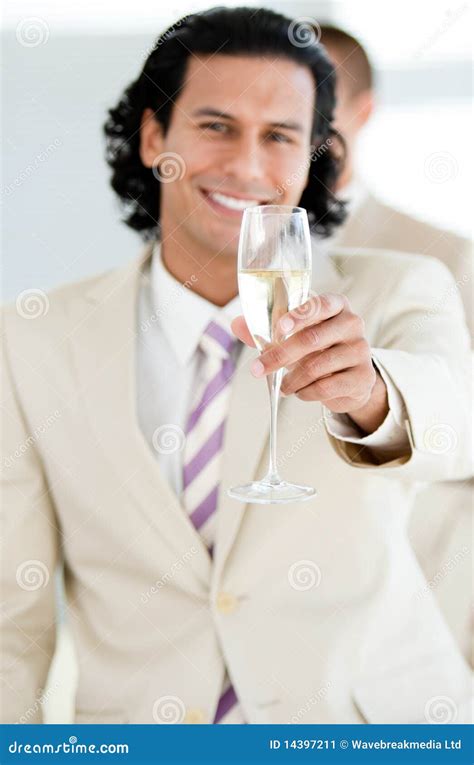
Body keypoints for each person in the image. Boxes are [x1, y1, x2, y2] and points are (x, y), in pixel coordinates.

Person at [1, 7, 471, 725]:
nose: (247, 165)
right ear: (156, 136)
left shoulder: (399, 288)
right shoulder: (33, 338)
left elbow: (455, 427)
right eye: (216, 126)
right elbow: (12, 614)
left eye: (280, 136)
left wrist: (374, 394)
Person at [320, 24, 473, 665]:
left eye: (315, 98)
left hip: (417, 616)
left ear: (363, 111)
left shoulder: (447, 257)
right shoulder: (222, 261)